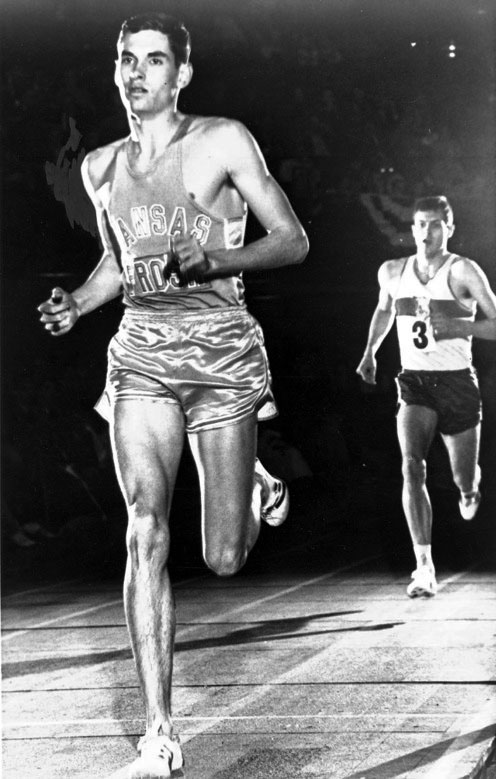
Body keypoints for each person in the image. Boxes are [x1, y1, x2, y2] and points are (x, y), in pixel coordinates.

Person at [38, 12, 308, 778]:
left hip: (220, 350)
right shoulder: (100, 167)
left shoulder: (223, 140)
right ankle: (159, 732)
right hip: (142, 355)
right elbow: (116, 263)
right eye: (126, 58)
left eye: (154, 60)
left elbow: (292, 239)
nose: (137, 72)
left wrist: (218, 258)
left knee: (223, 557)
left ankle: (255, 480)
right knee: (145, 529)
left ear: (181, 73)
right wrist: (77, 305)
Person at [356, 195, 496, 599]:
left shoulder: (463, 270)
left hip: (457, 383)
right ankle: (423, 567)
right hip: (415, 381)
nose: (427, 232)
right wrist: (369, 352)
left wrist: (458, 327)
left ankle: (470, 488)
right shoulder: (392, 271)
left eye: (435, 224)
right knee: (411, 466)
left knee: (461, 478)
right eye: (420, 224)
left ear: (449, 228)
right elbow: (384, 310)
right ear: (412, 228)